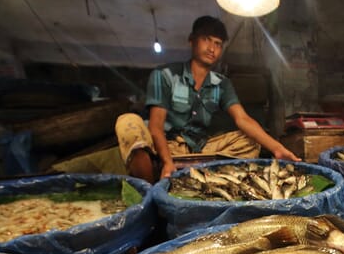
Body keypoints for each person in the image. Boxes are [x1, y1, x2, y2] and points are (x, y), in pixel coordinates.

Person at [115, 15, 300, 183]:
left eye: (218, 44)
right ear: (192, 41)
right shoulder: (164, 75)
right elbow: (156, 126)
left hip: (200, 149)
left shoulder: (222, 83)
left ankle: (208, 177)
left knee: (251, 140)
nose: (212, 48)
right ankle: (151, 186)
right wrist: (167, 160)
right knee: (127, 121)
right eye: (206, 40)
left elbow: (242, 119)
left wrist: (277, 148)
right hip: (165, 146)